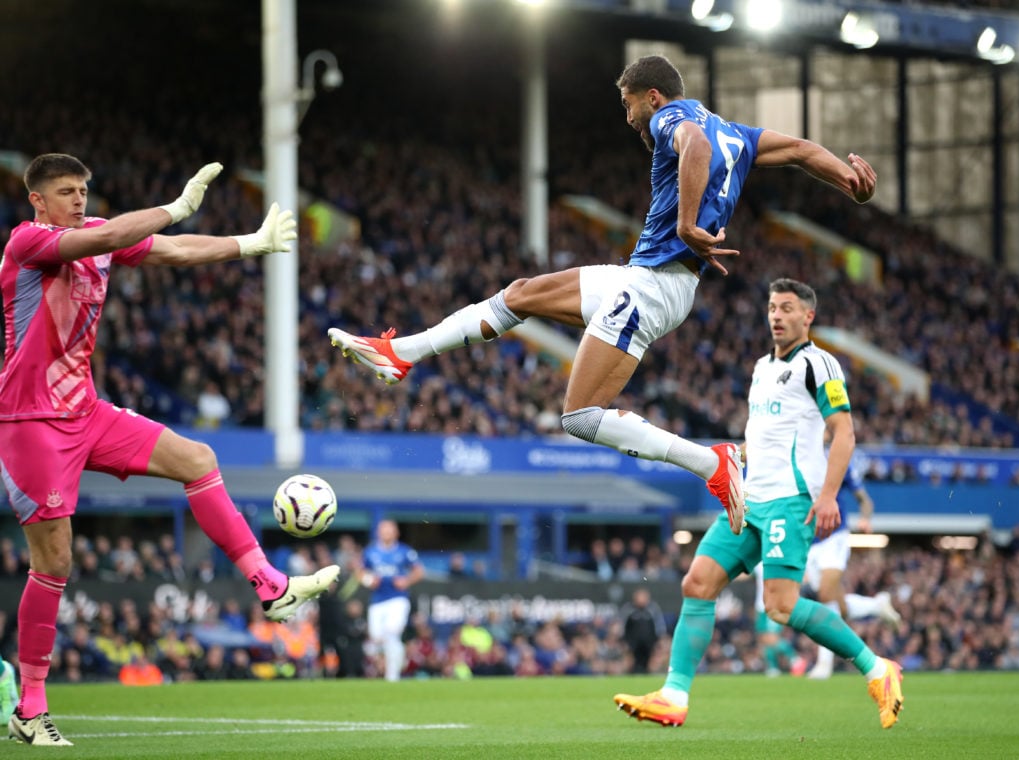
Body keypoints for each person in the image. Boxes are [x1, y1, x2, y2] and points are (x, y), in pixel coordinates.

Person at [327, 54, 875, 537]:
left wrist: (686, 223)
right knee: (521, 293)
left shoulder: (673, 119)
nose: (628, 115)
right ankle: (403, 354)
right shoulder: (738, 132)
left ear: (653, 96)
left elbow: (695, 146)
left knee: (580, 417)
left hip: (656, 285)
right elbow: (803, 150)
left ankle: (712, 463)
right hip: (644, 279)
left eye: (628, 103)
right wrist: (849, 181)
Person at [0, 153, 341, 746]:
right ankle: (30, 708)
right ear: (38, 200)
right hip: (30, 422)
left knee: (198, 460)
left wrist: (248, 244)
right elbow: (114, 232)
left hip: (87, 411)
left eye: (83, 188)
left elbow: (174, 251)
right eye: (65, 191)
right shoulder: (28, 242)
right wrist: (174, 208)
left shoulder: (98, 239)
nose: (78, 199)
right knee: (54, 563)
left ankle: (270, 586)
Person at [614, 279, 904, 730]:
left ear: (808, 316)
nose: (777, 315)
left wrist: (827, 495)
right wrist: (734, 458)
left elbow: (844, 433)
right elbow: (764, 435)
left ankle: (877, 669)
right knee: (697, 582)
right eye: (772, 307)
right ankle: (673, 696)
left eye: (787, 308)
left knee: (781, 607)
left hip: (790, 500)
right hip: (749, 498)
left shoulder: (819, 363)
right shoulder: (759, 368)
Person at [803, 448, 902, 679]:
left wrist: (866, 518)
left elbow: (864, 500)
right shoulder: (798, 460)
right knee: (838, 606)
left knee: (825, 594)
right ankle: (876, 605)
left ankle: (823, 665)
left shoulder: (837, 463)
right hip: (808, 541)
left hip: (834, 535)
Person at [360, 519, 424, 682]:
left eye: (389, 530)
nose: (386, 533)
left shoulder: (404, 551)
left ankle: (392, 675)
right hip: (378, 599)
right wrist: (369, 580)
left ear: (396, 532)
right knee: (376, 636)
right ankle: (398, 657)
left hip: (397, 599)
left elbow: (419, 571)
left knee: (391, 632)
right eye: (383, 530)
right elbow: (360, 572)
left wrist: (406, 581)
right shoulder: (370, 552)